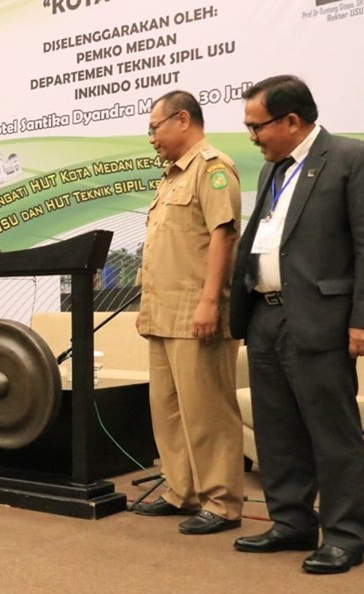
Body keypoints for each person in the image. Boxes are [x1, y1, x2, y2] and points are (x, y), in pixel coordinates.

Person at [229, 75, 364, 574]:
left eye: (256, 126)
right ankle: (291, 522)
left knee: (331, 430)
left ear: (292, 121)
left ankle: (344, 536)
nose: (251, 136)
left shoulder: (353, 160)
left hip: (322, 317)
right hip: (265, 315)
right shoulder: (272, 171)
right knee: (278, 429)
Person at [132, 91, 244, 535]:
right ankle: (183, 492)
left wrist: (210, 301)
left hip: (197, 313)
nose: (152, 137)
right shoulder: (170, 178)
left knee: (208, 411)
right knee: (169, 411)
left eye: (154, 127)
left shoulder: (213, 169)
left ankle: (222, 501)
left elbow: (224, 235)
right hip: (161, 315)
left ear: (182, 119)